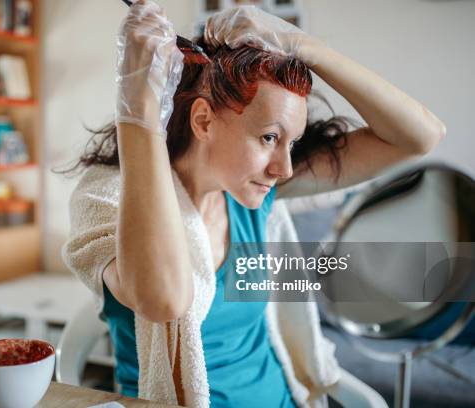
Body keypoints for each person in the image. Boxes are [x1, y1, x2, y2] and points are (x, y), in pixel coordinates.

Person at [62, 1, 446, 407]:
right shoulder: (106, 198)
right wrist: (139, 111)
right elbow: (165, 299)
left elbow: (420, 136)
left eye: (291, 143)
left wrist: (302, 45)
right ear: (203, 121)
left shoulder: (254, 197)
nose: (283, 168)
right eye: (268, 137)